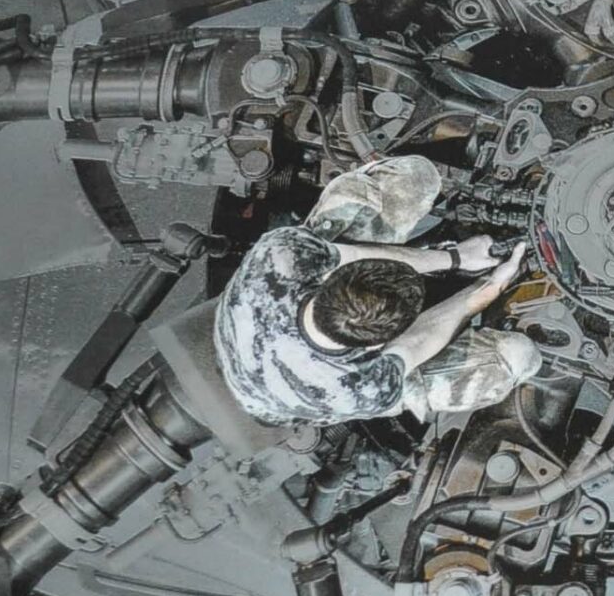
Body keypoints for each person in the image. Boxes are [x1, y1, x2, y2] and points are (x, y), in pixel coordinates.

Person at [214, 154, 543, 426]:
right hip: (279, 399)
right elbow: (420, 339)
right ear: (378, 345)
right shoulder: (361, 390)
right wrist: (489, 287)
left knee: (414, 177)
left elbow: (354, 253)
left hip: (245, 327)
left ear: (332, 279)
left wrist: (456, 258)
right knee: (517, 356)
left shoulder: (278, 257)